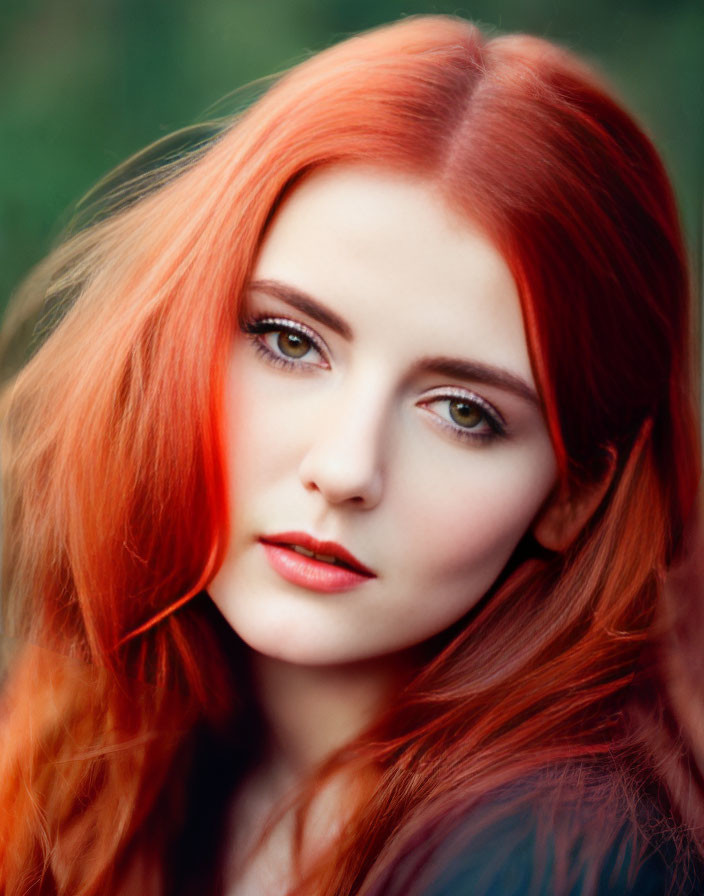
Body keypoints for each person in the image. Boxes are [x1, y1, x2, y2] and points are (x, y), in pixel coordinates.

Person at [0, 13, 702, 896]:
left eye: (463, 411)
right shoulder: (99, 753)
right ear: (179, 332)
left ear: (576, 493)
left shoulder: (554, 867)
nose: (344, 469)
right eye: (290, 342)